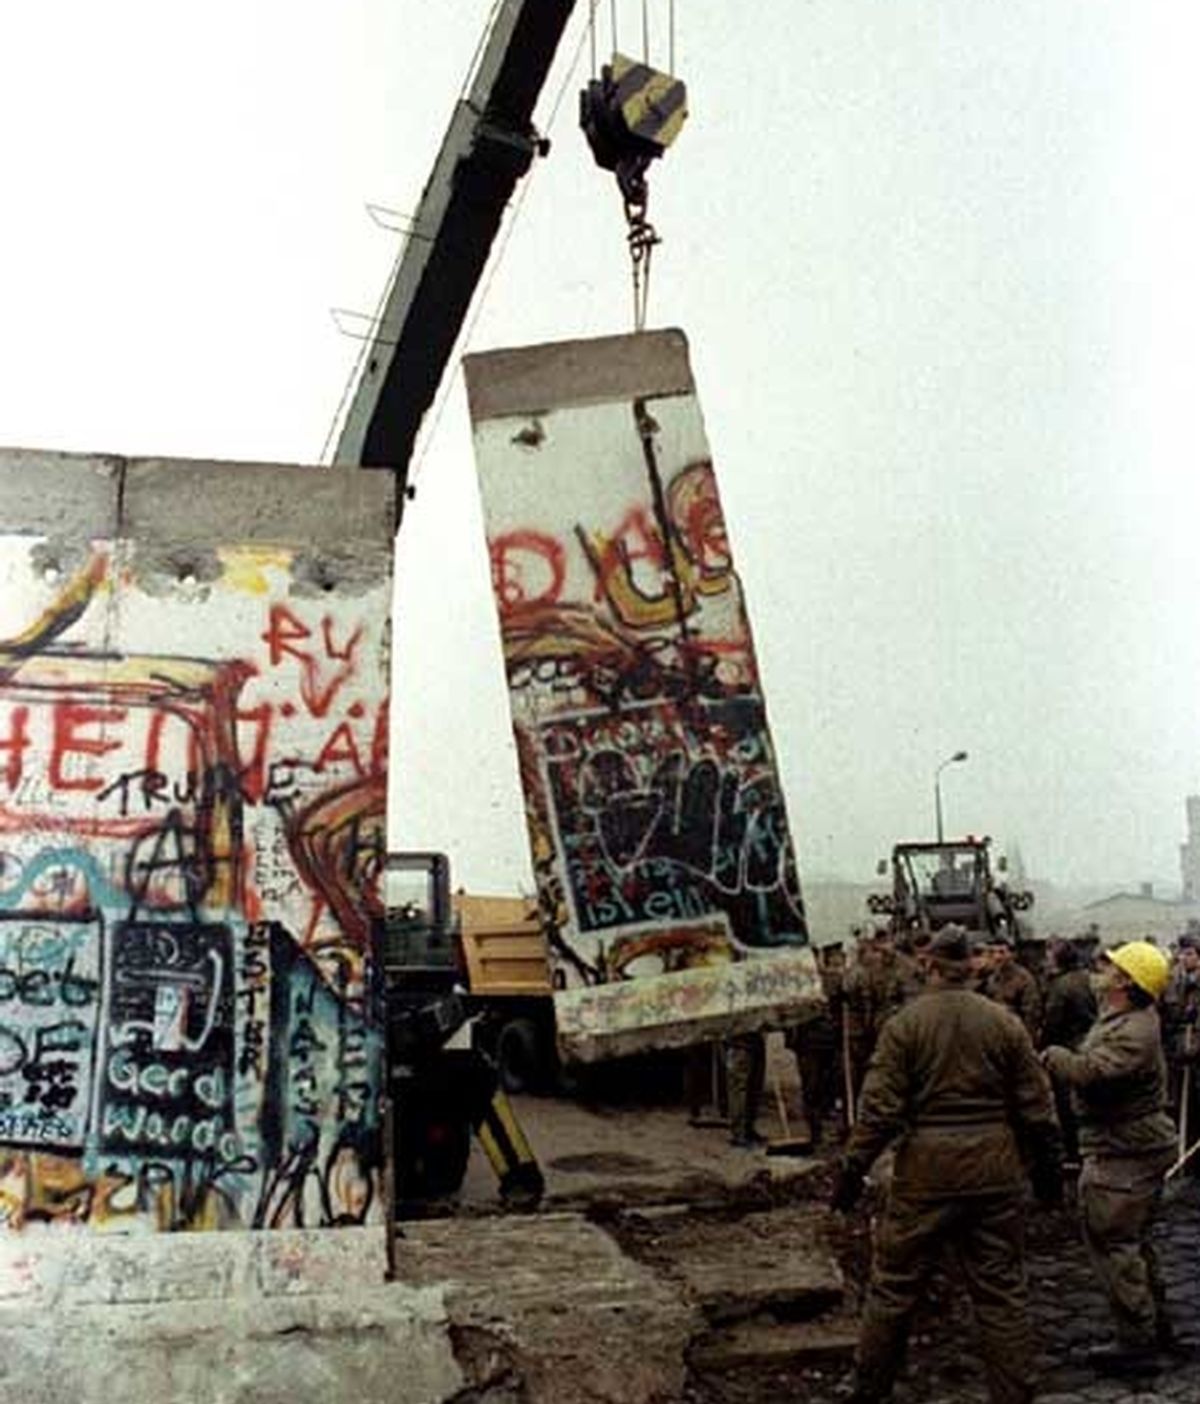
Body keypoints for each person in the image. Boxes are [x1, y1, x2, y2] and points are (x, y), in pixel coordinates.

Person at [831, 925, 1062, 1404]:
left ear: (930, 966)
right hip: (994, 1170)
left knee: (893, 1288)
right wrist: (1048, 1175)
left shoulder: (905, 1025)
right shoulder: (1004, 1023)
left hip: (927, 1172)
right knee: (1001, 1293)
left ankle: (869, 1392)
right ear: (971, 966)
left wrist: (852, 1173)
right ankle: (1014, 1395)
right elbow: (1038, 1109)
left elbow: (879, 1112)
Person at [1041, 940, 1178, 1375]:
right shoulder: (1123, 1018)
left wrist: (1055, 1056)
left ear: (1126, 981)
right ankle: (1154, 1328)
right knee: (1131, 1241)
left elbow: (1092, 1072)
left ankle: (1138, 1343)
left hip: (1124, 1148)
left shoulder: (1134, 1029)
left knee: (1115, 1242)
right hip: (1125, 1143)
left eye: (1110, 966)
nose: (1100, 970)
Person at [1039, 937, 1098, 1165]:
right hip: (1089, 1044)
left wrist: (1043, 1047)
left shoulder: (1061, 985)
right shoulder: (1088, 979)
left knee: (1066, 1104)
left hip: (1067, 1046)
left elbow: (1053, 1022)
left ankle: (1074, 1152)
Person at [980, 929, 1042, 1041]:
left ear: (1012, 954)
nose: (997, 957)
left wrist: (1026, 1041)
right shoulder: (991, 978)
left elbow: (1032, 1015)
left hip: (1016, 1035)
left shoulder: (1024, 979)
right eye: (993, 952)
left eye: (1002, 952)